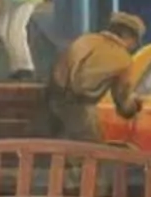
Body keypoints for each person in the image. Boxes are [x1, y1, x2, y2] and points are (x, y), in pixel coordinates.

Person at [47, 11, 145, 140]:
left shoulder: (86, 39)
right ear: (129, 36)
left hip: (50, 102)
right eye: (136, 40)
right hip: (80, 111)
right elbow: (123, 103)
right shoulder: (123, 59)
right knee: (90, 152)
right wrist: (135, 106)